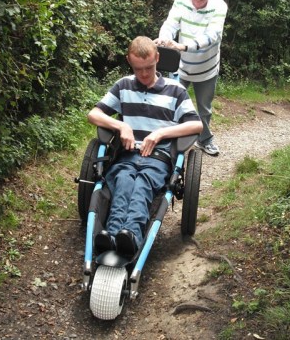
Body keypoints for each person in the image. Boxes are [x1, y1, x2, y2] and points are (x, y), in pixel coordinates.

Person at [87, 36, 203, 257]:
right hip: (127, 155)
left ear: (157, 58)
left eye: (149, 67)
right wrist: (121, 125)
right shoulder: (123, 86)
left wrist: (160, 133)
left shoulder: (175, 90)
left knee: (142, 186)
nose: (144, 74)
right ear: (129, 62)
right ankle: (112, 236)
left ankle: (131, 235)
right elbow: (93, 114)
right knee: (122, 183)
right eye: (138, 69)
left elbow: (196, 124)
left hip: (157, 159)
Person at [154, 0, 228, 157]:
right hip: (181, 66)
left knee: (204, 109)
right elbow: (171, 23)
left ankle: (205, 140)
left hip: (207, 67)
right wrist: (164, 39)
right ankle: (169, 141)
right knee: (172, 104)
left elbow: (213, 35)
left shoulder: (219, 5)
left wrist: (183, 46)